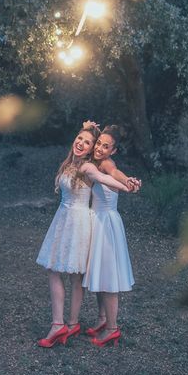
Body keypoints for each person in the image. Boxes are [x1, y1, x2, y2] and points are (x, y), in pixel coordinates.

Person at [36, 121, 130, 348]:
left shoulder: (88, 167)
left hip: (77, 221)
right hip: (64, 218)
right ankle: (71, 323)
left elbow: (107, 177)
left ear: (91, 150)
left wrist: (126, 183)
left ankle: (62, 324)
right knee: (70, 274)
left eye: (88, 142)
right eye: (81, 139)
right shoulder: (71, 163)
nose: (82, 143)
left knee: (62, 271)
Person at [82, 125, 140, 347]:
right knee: (99, 274)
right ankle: (103, 319)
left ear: (113, 151)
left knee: (108, 278)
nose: (100, 148)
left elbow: (115, 173)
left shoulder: (107, 163)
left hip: (106, 223)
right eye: (99, 143)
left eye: (106, 146)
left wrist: (128, 182)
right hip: (98, 220)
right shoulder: (94, 163)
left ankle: (112, 328)